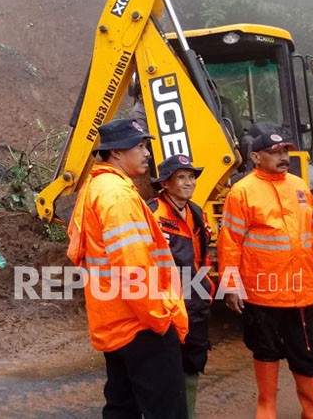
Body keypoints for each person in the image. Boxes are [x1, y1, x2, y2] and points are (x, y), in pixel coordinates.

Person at [67, 118, 189, 419]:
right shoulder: (117, 195)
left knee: (122, 407)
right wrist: (160, 319)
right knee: (166, 411)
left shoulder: (96, 187)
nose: (147, 153)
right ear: (117, 153)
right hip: (141, 324)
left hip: (114, 320)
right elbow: (133, 265)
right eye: (140, 146)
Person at [218, 129, 313, 419]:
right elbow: (230, 242)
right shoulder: (242, 192)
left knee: (303, 354)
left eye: (285, 152)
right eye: (276, 152)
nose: (283, 157)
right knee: (265, 351)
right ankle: (266, 407)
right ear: (256, 157)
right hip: (262, 294)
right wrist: (230, 285)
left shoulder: (299, 187)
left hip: (299, 291)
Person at [148, 155, 214, 419]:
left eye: (191, 177)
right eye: (181, 177)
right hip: (166, 304)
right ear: (166, 183)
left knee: (192, 363)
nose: (189, 183)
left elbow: (202, 257)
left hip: (195, 303)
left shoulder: (197, 212)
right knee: (164, 367)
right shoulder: (152, 212)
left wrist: (207, 288)